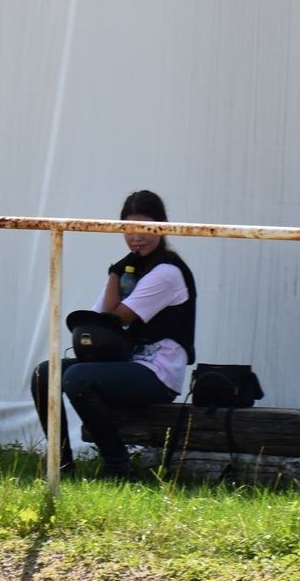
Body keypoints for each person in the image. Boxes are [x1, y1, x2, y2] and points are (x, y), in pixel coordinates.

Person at [30, 190, 197, 480]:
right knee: (44, 374)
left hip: (158, 372)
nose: (136, 237)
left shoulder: (166, 271)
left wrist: (116, 274)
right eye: (128, 229)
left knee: (76, 379)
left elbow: (114, 319)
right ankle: (61, 463)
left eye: (145, 228)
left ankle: (117, 465)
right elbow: (97, 324)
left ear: (163, 226)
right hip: (128, 363)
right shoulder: (131, 267)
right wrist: (116, 273)